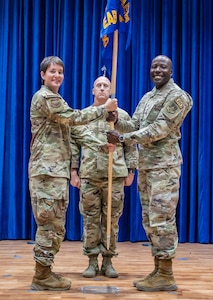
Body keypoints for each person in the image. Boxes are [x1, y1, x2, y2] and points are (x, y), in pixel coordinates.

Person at [28, 56, 117, 291]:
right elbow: (73, 118)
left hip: (55, 173)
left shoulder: (56, 99)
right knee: (49, 225)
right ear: (43, 75)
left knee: (56, 225)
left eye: (60, 72)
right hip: (47, 172)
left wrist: (102, 146)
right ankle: (42, 276)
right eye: (52, 72)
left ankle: (45, 272)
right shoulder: (45, 98)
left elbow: (75, 134)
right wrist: (102, 110)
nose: (56, 75)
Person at [107, 55, 193, 292]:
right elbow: (135, 126)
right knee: (150, 221)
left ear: (171, 71)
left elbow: (159, 129)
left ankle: (166, 274)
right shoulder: (147, 97)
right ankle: (158, 269)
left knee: (162, 219)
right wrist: (117, 119)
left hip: (164, 168)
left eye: (162, 67)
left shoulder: (178, 96)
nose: (157, 70)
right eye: (154, 66)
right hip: (147, 167)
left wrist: (122, 138)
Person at [70, 76, 138, 278]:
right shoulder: (84, 116)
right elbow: (74, 144)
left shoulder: (121, 116)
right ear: (92, 91)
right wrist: (74, 171)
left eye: (105, 86)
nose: (101, 88)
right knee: (91, 221)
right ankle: (91, 261)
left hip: (114, 175)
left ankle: (108, 261)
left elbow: (131, 143)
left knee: (111, 221)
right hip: (89, 175)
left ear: (110, 91)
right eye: (98, 86)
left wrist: (131, 170)